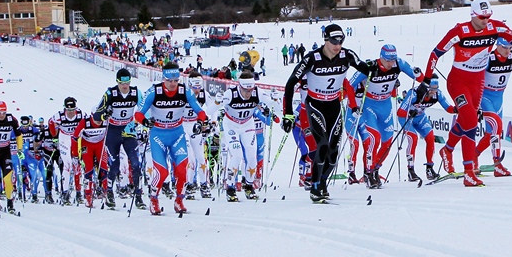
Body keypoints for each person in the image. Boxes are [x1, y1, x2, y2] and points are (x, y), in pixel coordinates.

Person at [420, 0, 512, 187]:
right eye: (482, 17)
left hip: (478, 82)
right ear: (473, 15)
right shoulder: (460, 31)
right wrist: (427, 80)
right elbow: (435, 53)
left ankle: (448, 150)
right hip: (458, 81)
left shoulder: (496, 27)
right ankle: (469, 171)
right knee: (469, 120)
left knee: (467, 120)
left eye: (488, 16)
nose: (486, 20)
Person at [282, 24, 371, 202]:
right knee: (321, 145)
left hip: (334, 106)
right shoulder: (312, 58)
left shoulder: (347, 55)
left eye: (340, 41)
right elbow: (291, 83)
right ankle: (314, 186)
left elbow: (365, 68)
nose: (337, 45)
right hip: (314, 106)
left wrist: (377, 68)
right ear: (325, 39)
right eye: (333, 41)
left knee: (333, 153)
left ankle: (322, 183)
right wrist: (289, 114)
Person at [134, 62, 208, 215]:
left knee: (183, 169)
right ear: (164, 78)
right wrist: (145, 122)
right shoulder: (154, 91)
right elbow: (138, 113)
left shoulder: (184, 91)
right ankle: (154, 198)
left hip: (177, 134)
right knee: (162, 172)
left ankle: (179, 199)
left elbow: (199, 111)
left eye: (176, 80)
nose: (173, 84)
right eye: (170, 80)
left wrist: (200, 122)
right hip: (158, 135)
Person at [348, 44, 423, 189]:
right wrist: (353, 105)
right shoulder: (370, 66)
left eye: (392, 60)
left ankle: (375, 168)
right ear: (381, 57)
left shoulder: (398, 63)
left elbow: (418, 78)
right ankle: (368, 173)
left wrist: (418, 74)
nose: (390, 63)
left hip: (386, 106)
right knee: (374, 138)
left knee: (388, 142)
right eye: (388, 60)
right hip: (369, 106)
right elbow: (349, 85)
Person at [475, 37, 512, 176]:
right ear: (498, 46)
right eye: (504, 48)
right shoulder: (490, 58)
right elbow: (476, 79)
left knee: (492, 134)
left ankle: (473, 156)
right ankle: (497, 164)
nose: (507, 51)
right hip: (485, 96)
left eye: (510, 48)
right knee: (496, 126)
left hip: (499, 98)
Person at [92, 68, 145, 210]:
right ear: (117, 82)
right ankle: (109, 192)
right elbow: (96, 117)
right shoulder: (110, 93)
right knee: (114, 165)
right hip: (113, 131)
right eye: (122, 83)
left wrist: (143, 125)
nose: (125, 86)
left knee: (136, 163)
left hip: (128, 131)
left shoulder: (135, 92)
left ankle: (138, 194)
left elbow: (144, 109)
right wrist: (105, 114)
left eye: (127, 82)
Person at [219, 71, 270, 201]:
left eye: (250, 89)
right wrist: (213, 111)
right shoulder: (230, 94)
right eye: (245, 90)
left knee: (252, 156)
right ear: (239, 86)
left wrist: (272, 107)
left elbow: (274, 104)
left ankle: (248, 185)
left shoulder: (257, 92)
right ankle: (230, 187)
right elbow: (213, 107)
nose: (248, 93)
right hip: (231, 125)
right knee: (237, 155)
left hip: (247, 125)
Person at [397, 74, 456, 181]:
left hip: (420, 118)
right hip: (406, 118)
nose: (435, 91)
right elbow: (400, 112)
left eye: (436, 89)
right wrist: (410, 112)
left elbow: (448, 108)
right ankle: (411, 171)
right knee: (413, 139)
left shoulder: (438, 94)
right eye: (432, 89)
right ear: (426, 88)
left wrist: (458, 108)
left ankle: (430, 168)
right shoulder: (414, 94)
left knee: (430, 138)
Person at [48, 96, 85, 205]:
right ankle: (65, 193)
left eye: (72, 110)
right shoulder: (59, 115)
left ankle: (78, 193)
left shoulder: (80, 114)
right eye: (68, 110)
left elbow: (88, 122)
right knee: (67, 165)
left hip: (75, 138)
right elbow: (50, 122)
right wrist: (54, 135)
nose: (70, 113)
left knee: (77, 165)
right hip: (64, 139)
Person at [74, 108, 110, 208]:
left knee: (104, 168)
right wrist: (75, 155)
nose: (98, 122)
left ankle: (108, 194)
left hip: (100, 145)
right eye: (96, 119)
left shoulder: (106, 120)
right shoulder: (85, 122)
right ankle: (88, 195)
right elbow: (75, 137)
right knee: (88, 169)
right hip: (87, 146)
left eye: (100, 119)